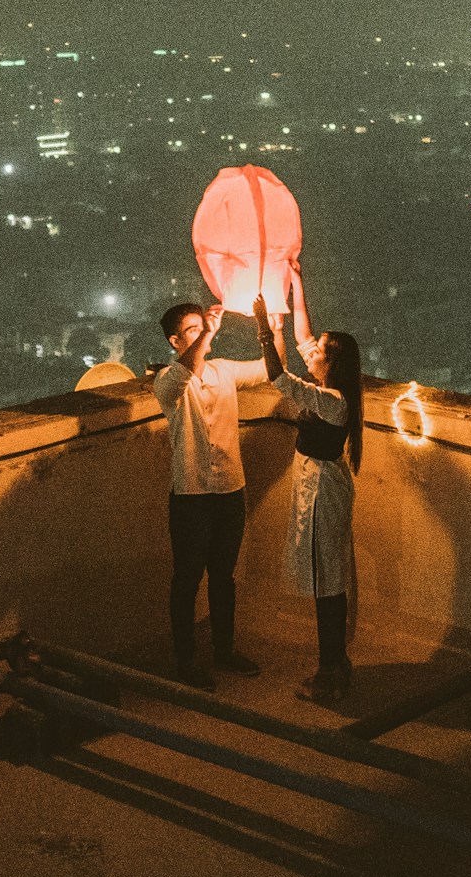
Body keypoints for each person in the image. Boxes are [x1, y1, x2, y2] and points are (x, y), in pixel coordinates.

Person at [253, 260, 363, 706]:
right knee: (326, 578)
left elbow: (278, 377)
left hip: (322, 492)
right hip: (317, 485)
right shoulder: (331, 388)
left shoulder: (332, 401)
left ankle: (329, 670)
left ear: (329, 361)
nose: (310, 347)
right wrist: (296, 282)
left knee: (326, 583)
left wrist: (263, 327)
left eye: (319, 348)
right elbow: (300, 337)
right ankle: (334, 664)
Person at [152, 301, 266, 689]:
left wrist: (272, 325)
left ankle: (224, 650)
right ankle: (185, 661)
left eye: (204, 326)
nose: (203, 332)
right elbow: (186, 370)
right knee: (186, 580)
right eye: (193, 329)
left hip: (230, 489)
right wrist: (209, 334)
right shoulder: (168, 380)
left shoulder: (224, 371)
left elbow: (272, 367)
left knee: (223, 576)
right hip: (191, 495)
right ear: (174, 341)